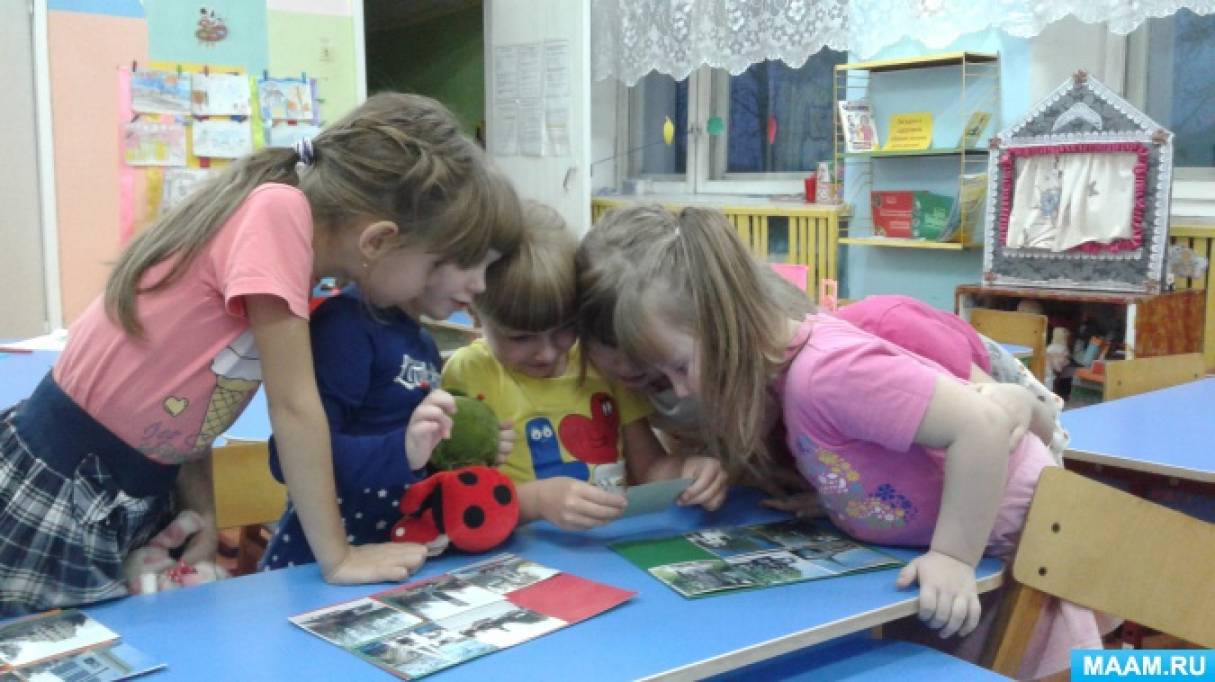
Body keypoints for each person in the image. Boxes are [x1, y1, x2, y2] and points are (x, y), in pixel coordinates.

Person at [0, 93, 505, 616]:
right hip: (66, 481)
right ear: (378, 240)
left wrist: (202, 516)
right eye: (437, 262)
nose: (436, 283)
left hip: (132, 489)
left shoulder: (293, 254)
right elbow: (293, 409)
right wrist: (338, 558)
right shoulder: (280, 214)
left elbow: (193, 405)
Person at [600, 205, 1100, 680]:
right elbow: (886, 452)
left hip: (1021, 537)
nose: (682, 390)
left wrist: (953, 557)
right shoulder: (793, 377)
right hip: (981, 543)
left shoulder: (825, 374)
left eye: (680, 367)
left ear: (725, 322)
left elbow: (983, 427)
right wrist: (842, 500)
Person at [260, 169, 523, 570]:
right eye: (470, 262)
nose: (481, 285)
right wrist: (403, 449)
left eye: (490, 270)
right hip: (321, 566)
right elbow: (290, 457)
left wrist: (463, 450)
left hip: (398, 558)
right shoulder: (346, 326)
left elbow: (410, 466)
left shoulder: (423, 344)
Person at [442, 202, 726, 531]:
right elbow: (455, 498)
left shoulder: (600, 368)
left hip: (608, 552)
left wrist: (687, 473)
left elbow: (648, 468)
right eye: (521, 338)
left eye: (564, 328)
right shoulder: (469, 373)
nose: (546, 354)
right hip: (518, 554)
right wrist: (534, 502)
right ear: (474, 314)